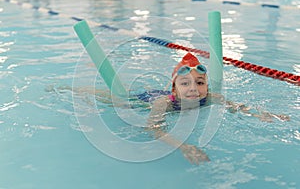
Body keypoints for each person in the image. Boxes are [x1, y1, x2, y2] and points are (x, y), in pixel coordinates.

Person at [48, 52, 290, 165]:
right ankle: (70, 89)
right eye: (185, 83)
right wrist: (184, 146)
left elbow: (237, 107)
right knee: (116, 99)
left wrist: (265, 115)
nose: (194, 88)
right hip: (145, 100)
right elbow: (154, 129)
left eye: (200, 83)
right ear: (175, 89)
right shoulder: (165, 102)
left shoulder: (211, 97)